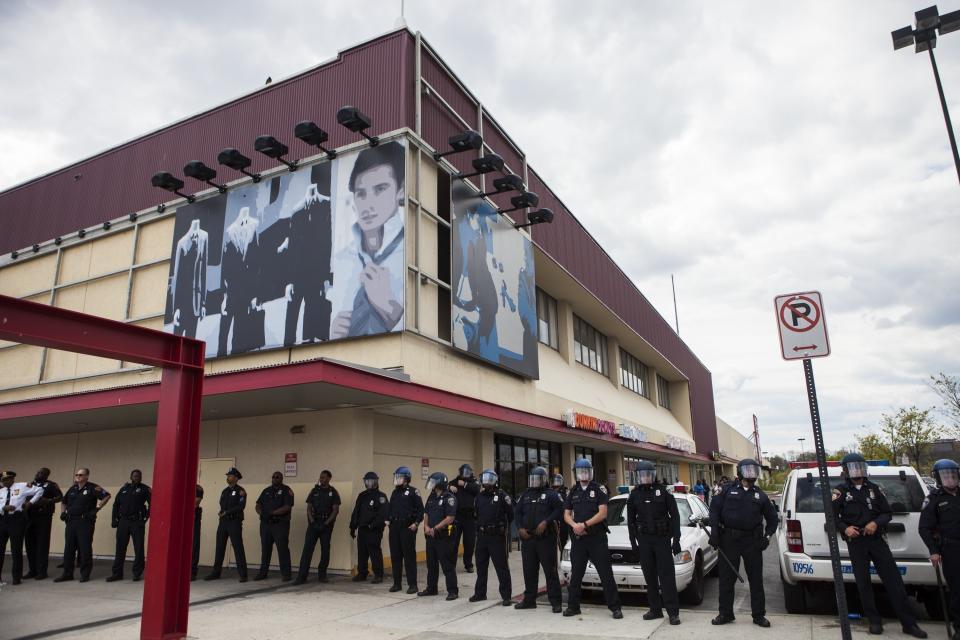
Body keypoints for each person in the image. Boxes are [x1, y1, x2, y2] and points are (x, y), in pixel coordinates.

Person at [834, 453, 926, 637]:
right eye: (852, 468)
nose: (856, 471)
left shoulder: (875, 489)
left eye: (859, 467)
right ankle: (874, 621)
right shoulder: (840, 492)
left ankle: (909, 623)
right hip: (856, 542)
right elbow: (832, 518)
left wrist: (876, 523)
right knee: (863, 584)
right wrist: (845, 529)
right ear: (845, 470)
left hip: (876, 540)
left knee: (894, 582)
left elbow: (887, 513)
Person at [330, 141, 406, 339]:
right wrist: (333, 335)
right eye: (361, 193)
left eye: (380, 189)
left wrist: (390, 308)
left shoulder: (414, 254)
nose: (368, 204)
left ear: (401, 191)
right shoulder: (340, 260)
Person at [708, 458, 778, 627]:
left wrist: (766, 538)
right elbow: (714, 511)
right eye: (747, 470)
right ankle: (725, 614)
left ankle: (758, 615)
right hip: (728, 540)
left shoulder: (760, 495)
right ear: (739, 472)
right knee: (726, 579)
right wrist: (715, 534)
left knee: (756, 580)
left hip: (752, 542)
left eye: (753, 470)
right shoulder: (726, 490)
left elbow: (773, 519)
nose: (751, 473)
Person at [563, 457, 623, 619]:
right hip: (579, 540)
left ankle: (615, 607)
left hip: (596, 538)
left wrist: (584, 525)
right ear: (576, 474)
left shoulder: (599, 489)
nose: (583, 474)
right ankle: (573, 607)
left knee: (605, 574)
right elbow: (566, 514)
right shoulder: (573, 491)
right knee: (576, 575)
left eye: (586, 471)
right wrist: (575, 525)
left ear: (590, 472)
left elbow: (603, 513)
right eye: (581, 472)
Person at [627, 460, 682, 625]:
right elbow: (630, 521)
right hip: (644, 541)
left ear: (653, 475)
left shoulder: (664, 492)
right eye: (642, 475)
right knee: (649, 576)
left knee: (667, 577)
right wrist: (633, 543)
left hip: (662, 540)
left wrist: (676, 539)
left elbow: (675, 516)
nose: (645, 477)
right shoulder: (634, 495)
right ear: (638, 476)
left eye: (648, 475)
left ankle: (673, 613)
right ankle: (655, 610)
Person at [920, 459, 960, 639]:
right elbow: (924, 528)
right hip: (951, 550)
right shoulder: (933, 499)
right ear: (938, 478)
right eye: (945, 475)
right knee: (958, 591)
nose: (950, 478)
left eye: (953, 474)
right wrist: (934, 551)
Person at [515, 466, 564, 613]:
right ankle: (529, 600)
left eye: (538, 479)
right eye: (533, 479)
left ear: (544, 480)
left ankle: (555, 602)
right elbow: (517, 513)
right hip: (528, 539)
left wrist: (546, 521)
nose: (535, 482)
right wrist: (519, 528)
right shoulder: (526, 495)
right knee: (529, 571)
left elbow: (559, 510)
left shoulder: (551, 494)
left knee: (550, 571)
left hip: (545, 539)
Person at [55, 468, 111, 583]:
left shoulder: (92, 487)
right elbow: (64, 501)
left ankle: (85, 574)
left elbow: (106, 496)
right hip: (71, 522)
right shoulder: (73, 488)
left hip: (85, 522)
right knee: (69, 549)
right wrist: (62, 513)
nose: (78, 476)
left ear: (87, 476)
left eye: (81, 474)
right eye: (77, 474)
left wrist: (97, 509)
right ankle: (67, 574)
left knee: (85, 548)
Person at [470, 468, 513, 605]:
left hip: (497, 537)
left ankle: (506, 596)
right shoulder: (479, 497)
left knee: (501, 567)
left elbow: (511, 515)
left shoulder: (502, 496)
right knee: (481, 566)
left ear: (494, 480)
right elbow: (475, 515)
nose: (486, 481)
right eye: (484, 478)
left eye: (489, 479)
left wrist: (501, 528)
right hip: (482, 537)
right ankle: (480, 593)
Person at [295, 470, 340, 584]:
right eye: (320, 477)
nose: (322, 479)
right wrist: (312, 521)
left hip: (326, 525)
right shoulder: (314, 491)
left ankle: (322, 575)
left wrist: (326, 524)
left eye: (324, 477)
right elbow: (309, 507)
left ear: (329, 478)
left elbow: (335, 510)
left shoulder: (333, 492)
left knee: (325, 551)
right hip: (314, 524)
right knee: (307, 550)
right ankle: (301, 577)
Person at [107, 469, 151, 582]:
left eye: (139, 476)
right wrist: (114, 519)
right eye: (135, 476)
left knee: (139, 548)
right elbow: (116, 505)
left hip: (137, 522)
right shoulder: (124, 489)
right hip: (123, 522)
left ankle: (137, 573)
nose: (137, 478)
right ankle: (117, 573)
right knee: (120, 548)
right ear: (131, 477)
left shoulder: (145, 489)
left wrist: (145, 518)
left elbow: (153, 504)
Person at [205, 467, 248, 582]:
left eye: (230, 476)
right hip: (223, 522)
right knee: (219, 547)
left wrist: (227, 512)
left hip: (234, 522)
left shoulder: (241, 491)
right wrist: (221, 512)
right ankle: (216, 572)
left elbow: (241, 506)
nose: (228, 478)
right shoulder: (225, 491)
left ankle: (243, 574)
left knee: (238, 547)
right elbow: (222, 504)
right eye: (228, 476)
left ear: (236, 478)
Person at [420, 471, 458, 600]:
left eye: (433, 483)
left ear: (440, 484)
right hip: (431, 536)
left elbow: (450, 518)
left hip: (443, 536)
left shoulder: (450, 498)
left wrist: (436, 528)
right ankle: (431, 588)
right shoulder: (431, 497)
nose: (431, 485)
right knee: (431, 565)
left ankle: (453, 591)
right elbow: (426, 514)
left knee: (447, 564)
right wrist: (426, 526)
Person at [0, 470, 42, 585]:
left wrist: (30, 503)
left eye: (6, 479)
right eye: (2, 480)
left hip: (16, 520)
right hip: (2, 520)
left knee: (16, 550)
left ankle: (16, 578)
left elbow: (39, 490)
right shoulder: (1, 491)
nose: (3, 482)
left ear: (12, 478)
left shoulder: (22, 486)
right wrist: (3, 508)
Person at [387, 466, 423, 594]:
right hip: (394, 528)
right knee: (395, 556)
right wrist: (388, 520)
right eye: (396, 477)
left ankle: (413, 584)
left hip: (407, 527)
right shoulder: (394, 492)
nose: (396, 480)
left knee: (409, 557)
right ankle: (397, 584)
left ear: (406, 478)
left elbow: (420, 510)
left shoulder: (414, 492)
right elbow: (390, 508)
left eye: (399, 477)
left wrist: (416, 524)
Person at [254, 471, 294, 581]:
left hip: (280, 524)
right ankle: (263, 573)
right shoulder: (266, 491)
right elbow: (258, 505)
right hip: (266, 524)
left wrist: (272, 513)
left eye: (277, 477)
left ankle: (286, 574)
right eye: (273, 477)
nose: (274, 478)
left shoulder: (287, 490)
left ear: (281, 478)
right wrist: (261, 513)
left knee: (282, 549)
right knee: (265, 549)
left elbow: (287, 507)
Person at [25, 467, 62, 580]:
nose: (38, 474)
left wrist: (49, 501)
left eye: (41, 473)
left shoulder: (51, 485)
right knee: (29, 544)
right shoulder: (30, 484)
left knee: (42, 544)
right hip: (29, 517)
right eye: (37, 472)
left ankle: (42, 572)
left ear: (46, 475)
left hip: (43, 517)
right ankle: (32, 570)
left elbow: (60, 497)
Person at [350, 471, 387, 583]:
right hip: (362, 529)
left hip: (374, 530)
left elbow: (383, 514)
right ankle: (362, 573)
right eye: (366, 481)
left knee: (374, 552)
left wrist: (373, 525)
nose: (368, 483)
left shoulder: (381, 496)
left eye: (370, 481)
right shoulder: (362, 496)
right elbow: (356, 512)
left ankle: (378, 574)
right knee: (362, 552)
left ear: (376, 482)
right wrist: (352, 526)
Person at [450, 463, 479, 573]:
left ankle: (468, 564)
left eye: (467, 472)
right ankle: (451, 564)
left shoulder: (474, 481)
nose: (464, 474)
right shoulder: (455, 481)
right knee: (454, 541)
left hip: (470, 517)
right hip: (457, 516)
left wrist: (465, 484)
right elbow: (444, 487)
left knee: (469, 542)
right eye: (463, 472)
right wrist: (449, 487)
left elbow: (476, 489)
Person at [552, 473, 569, 554]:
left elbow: (565, 505)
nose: (556, 483)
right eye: (555, 481)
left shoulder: (565, 491)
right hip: (552, 521)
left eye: (558, 481)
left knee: (563, 542)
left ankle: (563, 558)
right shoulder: (550, 491)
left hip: (563, 521)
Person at [192, 484, 203, 581]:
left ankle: (192, 572)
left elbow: (196, 503)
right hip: (181, 515)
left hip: (193, 515)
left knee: (194, 545)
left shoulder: (198, 488)